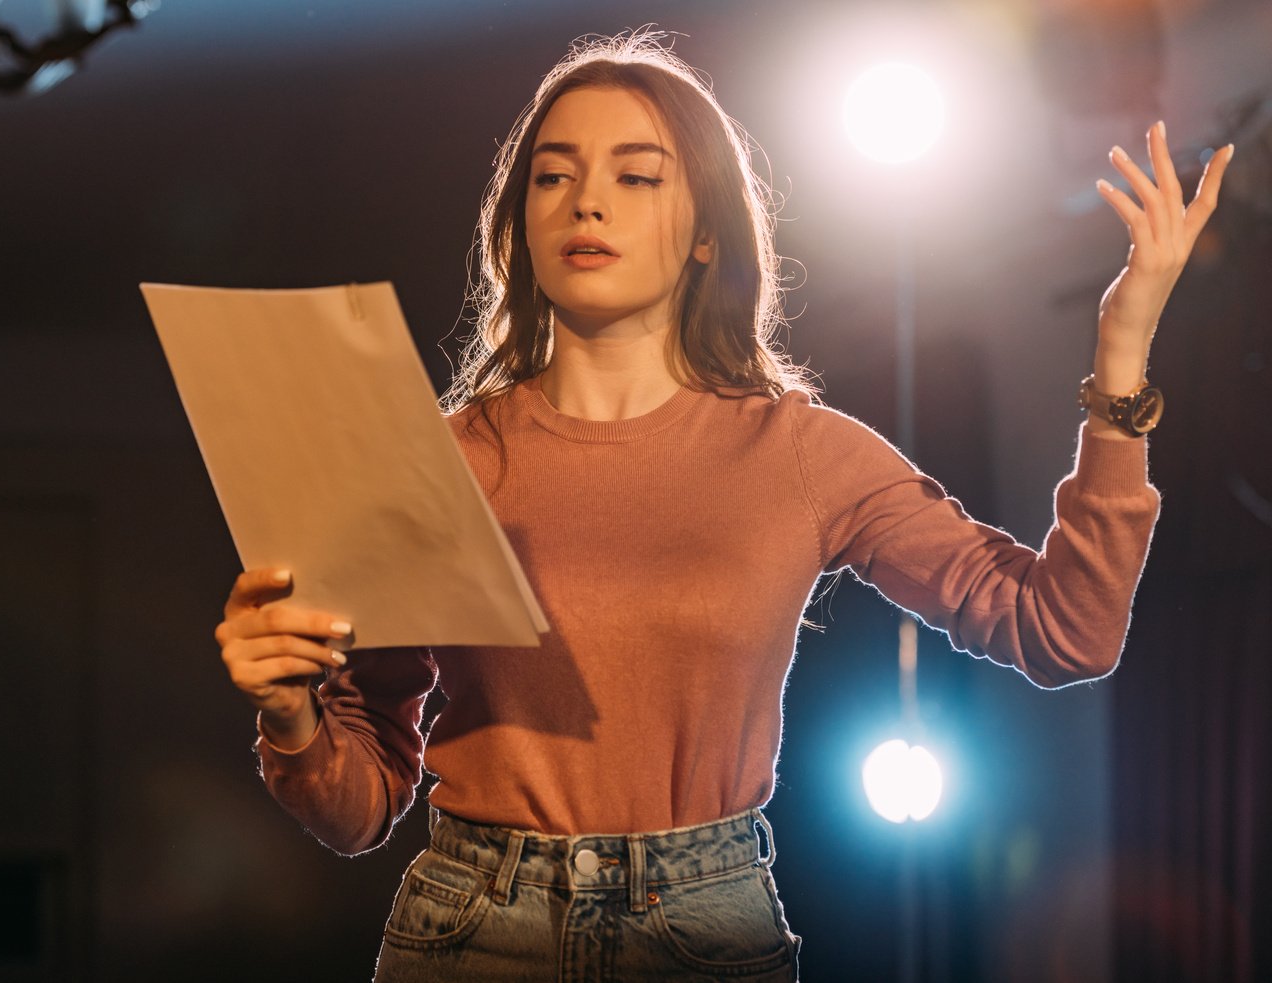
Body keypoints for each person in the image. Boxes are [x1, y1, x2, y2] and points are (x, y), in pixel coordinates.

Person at [213, 32, 1232, 983]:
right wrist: (291, 710)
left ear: (704, 233)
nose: (585, 202)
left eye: (634, 176)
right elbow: (359, 805)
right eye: (553, 174)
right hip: (470, 926)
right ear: (518, 226)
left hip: (700, 927)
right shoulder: (438, 462)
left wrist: (1119, 358)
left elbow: (1067, 631)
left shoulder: (796, 450)